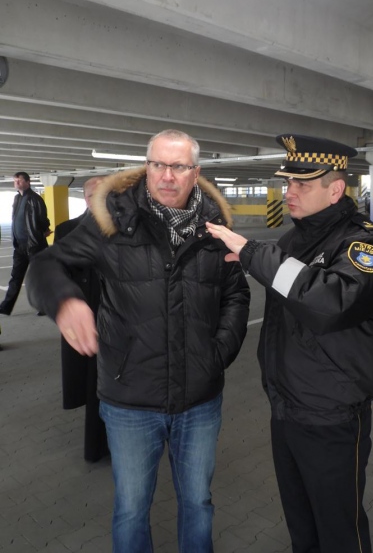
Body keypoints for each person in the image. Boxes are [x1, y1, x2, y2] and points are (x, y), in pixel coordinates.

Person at [27, 129, 250, 553]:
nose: (167, 176)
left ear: (195, 172)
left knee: (198, 504)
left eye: (178, 166)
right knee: (131, 509)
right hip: (129, 399)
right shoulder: (112, 219)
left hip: (199, 398)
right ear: (147, 167)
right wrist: (64, 300)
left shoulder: (215, 228)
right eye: (158, 164)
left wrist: (218, 353)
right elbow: (45, 265)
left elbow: (236, 294)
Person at [206, 134, 373, 553]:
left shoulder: (366, 244)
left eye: (302, 184)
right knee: (302, 524)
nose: (289, 191)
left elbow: (330, 302)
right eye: (287, 182)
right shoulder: (292, 242)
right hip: (286, 408)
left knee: (339, 531)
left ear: (335, 189)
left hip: (332, 415)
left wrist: (255, 254)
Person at [54, 176, 109, 463]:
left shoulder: (125, 228)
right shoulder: (67, 230)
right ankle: (96, 447)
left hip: (120, 317)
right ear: (86, 199)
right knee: (93, 384)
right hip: (87, 317)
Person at [0, 171, 51, 316]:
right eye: (15, 180)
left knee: (39, 277)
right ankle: (5, 307)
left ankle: (44, 306)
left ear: (28, 182)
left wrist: (43, 231)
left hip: (34, 245)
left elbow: (43, 219)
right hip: (19, 246)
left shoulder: (35, 199)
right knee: (15, 277)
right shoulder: (17, 198)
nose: (16, 183)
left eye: (20, 180)